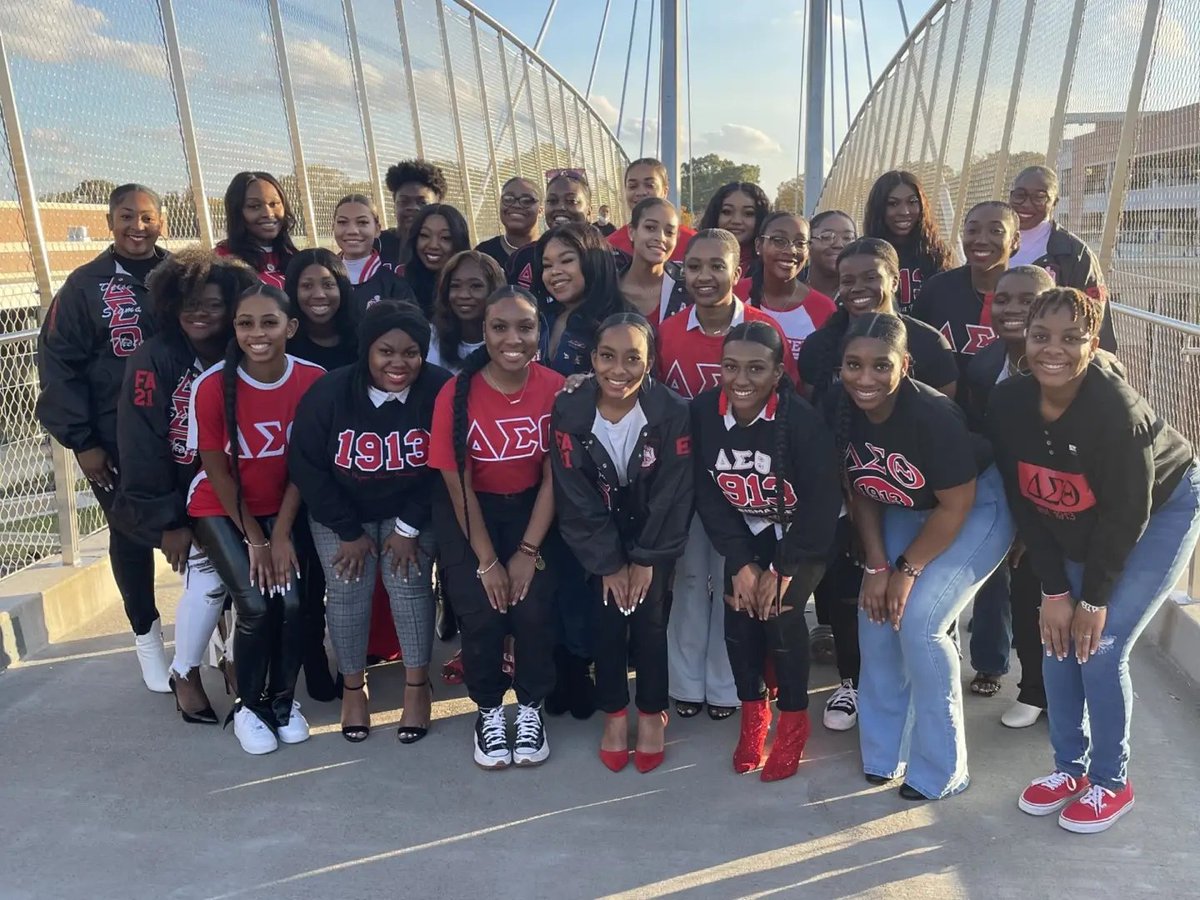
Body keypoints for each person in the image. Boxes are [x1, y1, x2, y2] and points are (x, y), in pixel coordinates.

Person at [988, 287, 1199, 832]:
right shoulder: (1009, 402)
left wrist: (1093, 600)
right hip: (1082, 514)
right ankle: (1069, 769)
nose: (1053, 349)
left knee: (1101, 648)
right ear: (1025, 339)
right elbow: (1025, 498)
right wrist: (1055, 590)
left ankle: (1111, 780)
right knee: (1057, 641)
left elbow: (1125, 517)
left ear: (1093, 343)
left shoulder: (1116, 410)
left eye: (1071, 338)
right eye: (1041, 336)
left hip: (1162, 509)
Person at [836, 312, 1014, 800]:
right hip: (905, 506)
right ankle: (885, 753)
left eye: (881, 365)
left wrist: (907, 570)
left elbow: (956, 504)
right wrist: (877, 566)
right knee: (875, 614)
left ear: (905, 364)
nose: (865, 378)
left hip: (975, 507)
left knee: (919, 621)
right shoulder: (841, 406)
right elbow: (863, 487)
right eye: (853, 364)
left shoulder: (932, 413)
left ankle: (943, 768)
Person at [798, 238, 960, 732]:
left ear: (895, 279)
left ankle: (919, 683)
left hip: (921, 491)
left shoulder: (926, 343)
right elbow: (818, 416)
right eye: (847, 279)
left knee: (917, 598)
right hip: (855, 482)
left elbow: (944, 422)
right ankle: (853, 682)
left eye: (871, 276)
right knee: (854, 587)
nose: (859, 287)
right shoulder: (824, 345)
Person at [289, 300, 451, 744]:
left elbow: (445, 466)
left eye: (411, 353)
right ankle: (353, 689)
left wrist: (408, 528)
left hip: (412, 508)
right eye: (386, 351)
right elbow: (306, 466)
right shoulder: (330, 392)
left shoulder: (440, 389)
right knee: (347, 588)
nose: (399, 363)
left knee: (408, 583)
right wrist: (347, 530)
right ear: (367, 351)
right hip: (342, 510)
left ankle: (417, 687)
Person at [657, 228, 796, 722]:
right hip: (686, 480)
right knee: (691, 578)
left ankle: (727, 683)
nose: (705, 276)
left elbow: (787, 404)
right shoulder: (668, 331)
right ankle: (684, 682)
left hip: (746, 481)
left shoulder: (763, 329)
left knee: (733, 580)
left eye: (718, 266)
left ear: (739, 273)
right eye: (694, 266)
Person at [36, 183, 170, 692]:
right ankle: (147, 635)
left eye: (147, 216)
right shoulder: (83, 286)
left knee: (199, 529)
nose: (138, 226)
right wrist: (82, 441)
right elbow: (59, 365)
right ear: (109, 222)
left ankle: (214, 635)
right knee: (130, 533)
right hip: (113, 440)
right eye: (127, 216)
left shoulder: (181, 274)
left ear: (162, 221)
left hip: (181, 429)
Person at [693, 322, 841, 781]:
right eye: (730, 366)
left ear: (778, 372)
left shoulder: (802, 423)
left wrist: (782, 567)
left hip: (803, 534)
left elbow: (821, 505)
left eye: (756, 368)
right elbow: (708, 495)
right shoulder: (703, 413)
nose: (741, 379)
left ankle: (794, 720)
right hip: (748, 528)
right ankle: (754, 713)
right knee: (737, 609)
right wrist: (740, 561)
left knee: (780, 609)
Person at [115, 248, 257, 722]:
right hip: (182, 496)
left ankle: (234, 661)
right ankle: (187, 672)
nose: (201, 314)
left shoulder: (242, 348)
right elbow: (140, 444)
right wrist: (167, 520)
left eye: (214, 305)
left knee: (247, 585)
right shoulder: (152, 358)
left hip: (238, 490)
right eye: (191, 304)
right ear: (171, 303)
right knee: (209, 583)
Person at [550, 313, 693, 772]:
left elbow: (673, 492)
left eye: (633, 358)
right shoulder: (570, 409)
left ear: (650, 362)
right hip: (599, 530)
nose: (619, 370)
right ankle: (614, 713)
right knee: (607, 619)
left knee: (650, 620)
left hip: (654, 528)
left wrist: (646, 559)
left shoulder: (672, 411)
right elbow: (573, 494)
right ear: (592, 359)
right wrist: (610, 563)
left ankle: (651, 713)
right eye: (607, 357)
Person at [428, 286, 564, 768]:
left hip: (533, 508)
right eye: (499, 327)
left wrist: (527, 552)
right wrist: (487, 562)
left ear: (539, 332)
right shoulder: (455, 393)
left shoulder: (555, 387)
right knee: (483, 611)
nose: (513, 339)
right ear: (483, 332)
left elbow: (554, 476)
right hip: (471, 512)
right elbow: (457, 484)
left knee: (532, 610)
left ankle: (529, 707)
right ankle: (488, 710)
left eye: (525, 327)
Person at [186, 283, 325, 755]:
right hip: (221, 507)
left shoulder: (312, 379)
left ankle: (282, 701)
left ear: (292, 327)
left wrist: (280, 533)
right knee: (256, 605)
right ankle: (248, 706)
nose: (257, 333)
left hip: (282, 509)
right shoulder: (211, 385)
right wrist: (256, 539)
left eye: (269, 322)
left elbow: (306, 465)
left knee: (292, 605)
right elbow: (215, 469)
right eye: (246, 323)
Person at [965, 265, 1060, 727]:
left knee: (1056, 596)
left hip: (1067, 501)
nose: (1012, 309)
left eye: (1028, 300)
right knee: (1015, 592)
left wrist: (1033, 524)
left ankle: (1060, 696)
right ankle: (1030, 687)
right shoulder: (983, 365)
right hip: (1008, 491)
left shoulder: (1072, 368)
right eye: (1003, 299)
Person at [913, 201, 1019, 395]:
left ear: (1015, 240)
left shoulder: (1027, 294)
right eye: (972, 231)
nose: (981, 240)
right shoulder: (937, 289)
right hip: (944, 406)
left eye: (996, 231)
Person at [1008, 165, 1117, 351]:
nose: (1026, 203)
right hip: (993, 350)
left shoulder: (1076, 254)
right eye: (1020, 195)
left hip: (1049, 353)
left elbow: (1097, 317)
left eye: (1039, 197)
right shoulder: (990, 241)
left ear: (1055, 202)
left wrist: (1101, 361)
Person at [535, 222, 630, 376]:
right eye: (547, 265)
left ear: (594, 261)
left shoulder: (624, 323)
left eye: (566, 261)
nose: (554, 271)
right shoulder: (539, 317)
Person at [748, 212, 837, 363]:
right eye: (779, 241)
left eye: (800, 243)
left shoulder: (824, 308)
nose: (791, 250)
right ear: (759, 245)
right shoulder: (735, 294)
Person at [862, 170, 954, 314]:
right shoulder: (864, 254)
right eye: (893, 204)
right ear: (879, 208)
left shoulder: (938, 252)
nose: (904, 211)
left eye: (912, 202)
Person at [507, 170, 593, 291]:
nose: (560, 207)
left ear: (589, 210)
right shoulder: (523, 258)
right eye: (552, 201)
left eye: (572, 201)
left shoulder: (607, 255)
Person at [331, 194, 417, 313]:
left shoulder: (395, 286)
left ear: (377, 229)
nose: (352, 231)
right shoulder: (322, 277)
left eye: (362, 222)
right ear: (333, 227)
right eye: (342, 222)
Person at [215, 171, 298, 290]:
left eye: (274, 204)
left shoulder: (296, 258)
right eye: (254, 206)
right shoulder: (221, 261)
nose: (268, 214)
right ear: (237, 212)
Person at [428, 250, 507, 373]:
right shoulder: (431, 338)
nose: (463, 295)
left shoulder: (510, 341)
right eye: (455, 286)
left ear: (494, 291)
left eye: (475, 286)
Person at [617, 197, 690, 327]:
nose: (660, 237)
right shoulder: (605, 288)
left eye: (669, 232)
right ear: (631, 231)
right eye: (650, 228)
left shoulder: (688, 287)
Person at [607, 158, 695, 262]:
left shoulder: (693, 243)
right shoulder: (609, 246)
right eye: (633, 186)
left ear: (665, 191)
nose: (641, 192)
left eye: (650, 185)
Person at [285, 249, 359, 372]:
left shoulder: (363, 340)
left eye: (328, 285)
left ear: (342, 288)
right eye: (307, 286)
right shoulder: (283, 346)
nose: (319, 295)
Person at [405, 204, 472, 319]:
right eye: (424, 235)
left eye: (445, 238)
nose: (433, 245)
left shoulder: (474, 287)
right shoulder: (399, 287)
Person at [380, 159, 447, 269]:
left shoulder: (448, 249)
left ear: (438, 205)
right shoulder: (377, 245)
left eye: (422, 203)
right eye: (403, 201)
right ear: (394, 205)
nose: (412, 207)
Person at [699, 182, 771, 274]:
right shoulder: (694, 260)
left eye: (748, 213)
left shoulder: (771, 268)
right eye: (727, 212)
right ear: (715, 215)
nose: (737, 221)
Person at [476, 177, 542, 268]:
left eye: (526, 200)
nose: (516, 205)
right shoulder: (483, 254)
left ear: (541, 210)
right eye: (508, 199)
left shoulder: (550, 250)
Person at [802, 210, 857, 299]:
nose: (839, 245)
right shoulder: (787, 287)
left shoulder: (861, 290)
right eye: (827, 237)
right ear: (808, 243)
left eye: (848, 238)